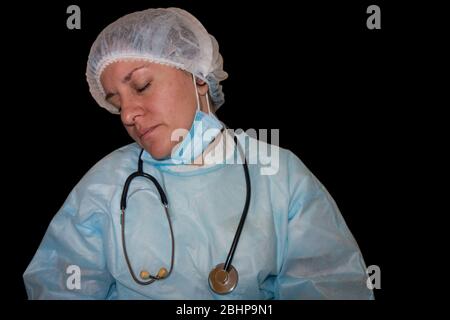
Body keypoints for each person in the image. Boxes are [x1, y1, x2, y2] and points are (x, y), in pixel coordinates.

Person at [23, 7, 374, 300]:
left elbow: (332, 286)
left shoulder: (280, 175)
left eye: (142, 86)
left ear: (199, 77)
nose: (128, 114)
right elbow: (60, 288)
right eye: (116, 104)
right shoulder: (104, 185)